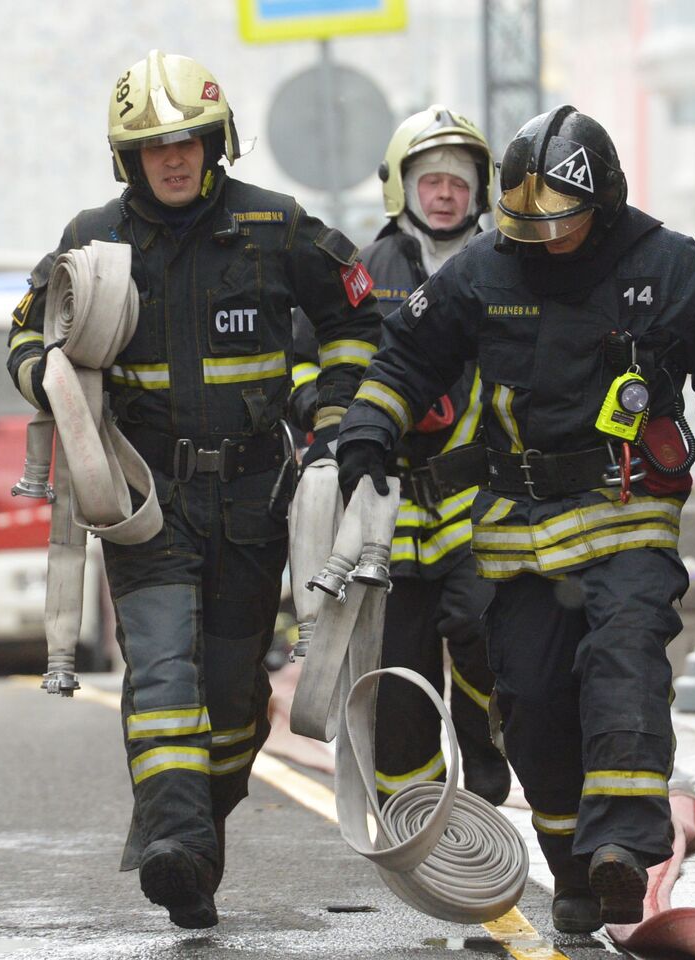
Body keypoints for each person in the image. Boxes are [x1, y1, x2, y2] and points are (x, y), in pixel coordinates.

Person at [336, 106, 695, 932]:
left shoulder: (669, 268)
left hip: (626, 512)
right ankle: (575, 865)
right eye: (525, 223)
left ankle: (621, 847)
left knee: (622, 666)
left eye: (559, 223)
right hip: (515, 529)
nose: (541, 241)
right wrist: (368, 427)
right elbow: (406, 356)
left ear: (601, 203)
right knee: (531, 702)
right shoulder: (484, 270)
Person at [4, 51, 379, 929]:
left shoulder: (277, 228)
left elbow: (356, 319)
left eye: (188, 143)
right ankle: (174, 846)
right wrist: (48, 382)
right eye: (152, 148)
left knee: (237, 695)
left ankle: (192, 840)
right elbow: (27, 336)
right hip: (144, 500)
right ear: (126, 159)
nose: (172, 160)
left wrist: (333, 416)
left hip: (255, 499)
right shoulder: (92, 241)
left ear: (217, 145)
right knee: (164, 671)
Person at [291, 106, 510, 806]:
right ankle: (418, 821)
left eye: (458, 181)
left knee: (488, 631)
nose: (445, 194)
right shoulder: (362, 272)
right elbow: (308, 359)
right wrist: (325, 420)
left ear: (482, 189)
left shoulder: (513, 267)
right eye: (430, 180)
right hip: (383, 506)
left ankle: (487, 748)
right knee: (394, 680)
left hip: (483, 500)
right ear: (401, 188)